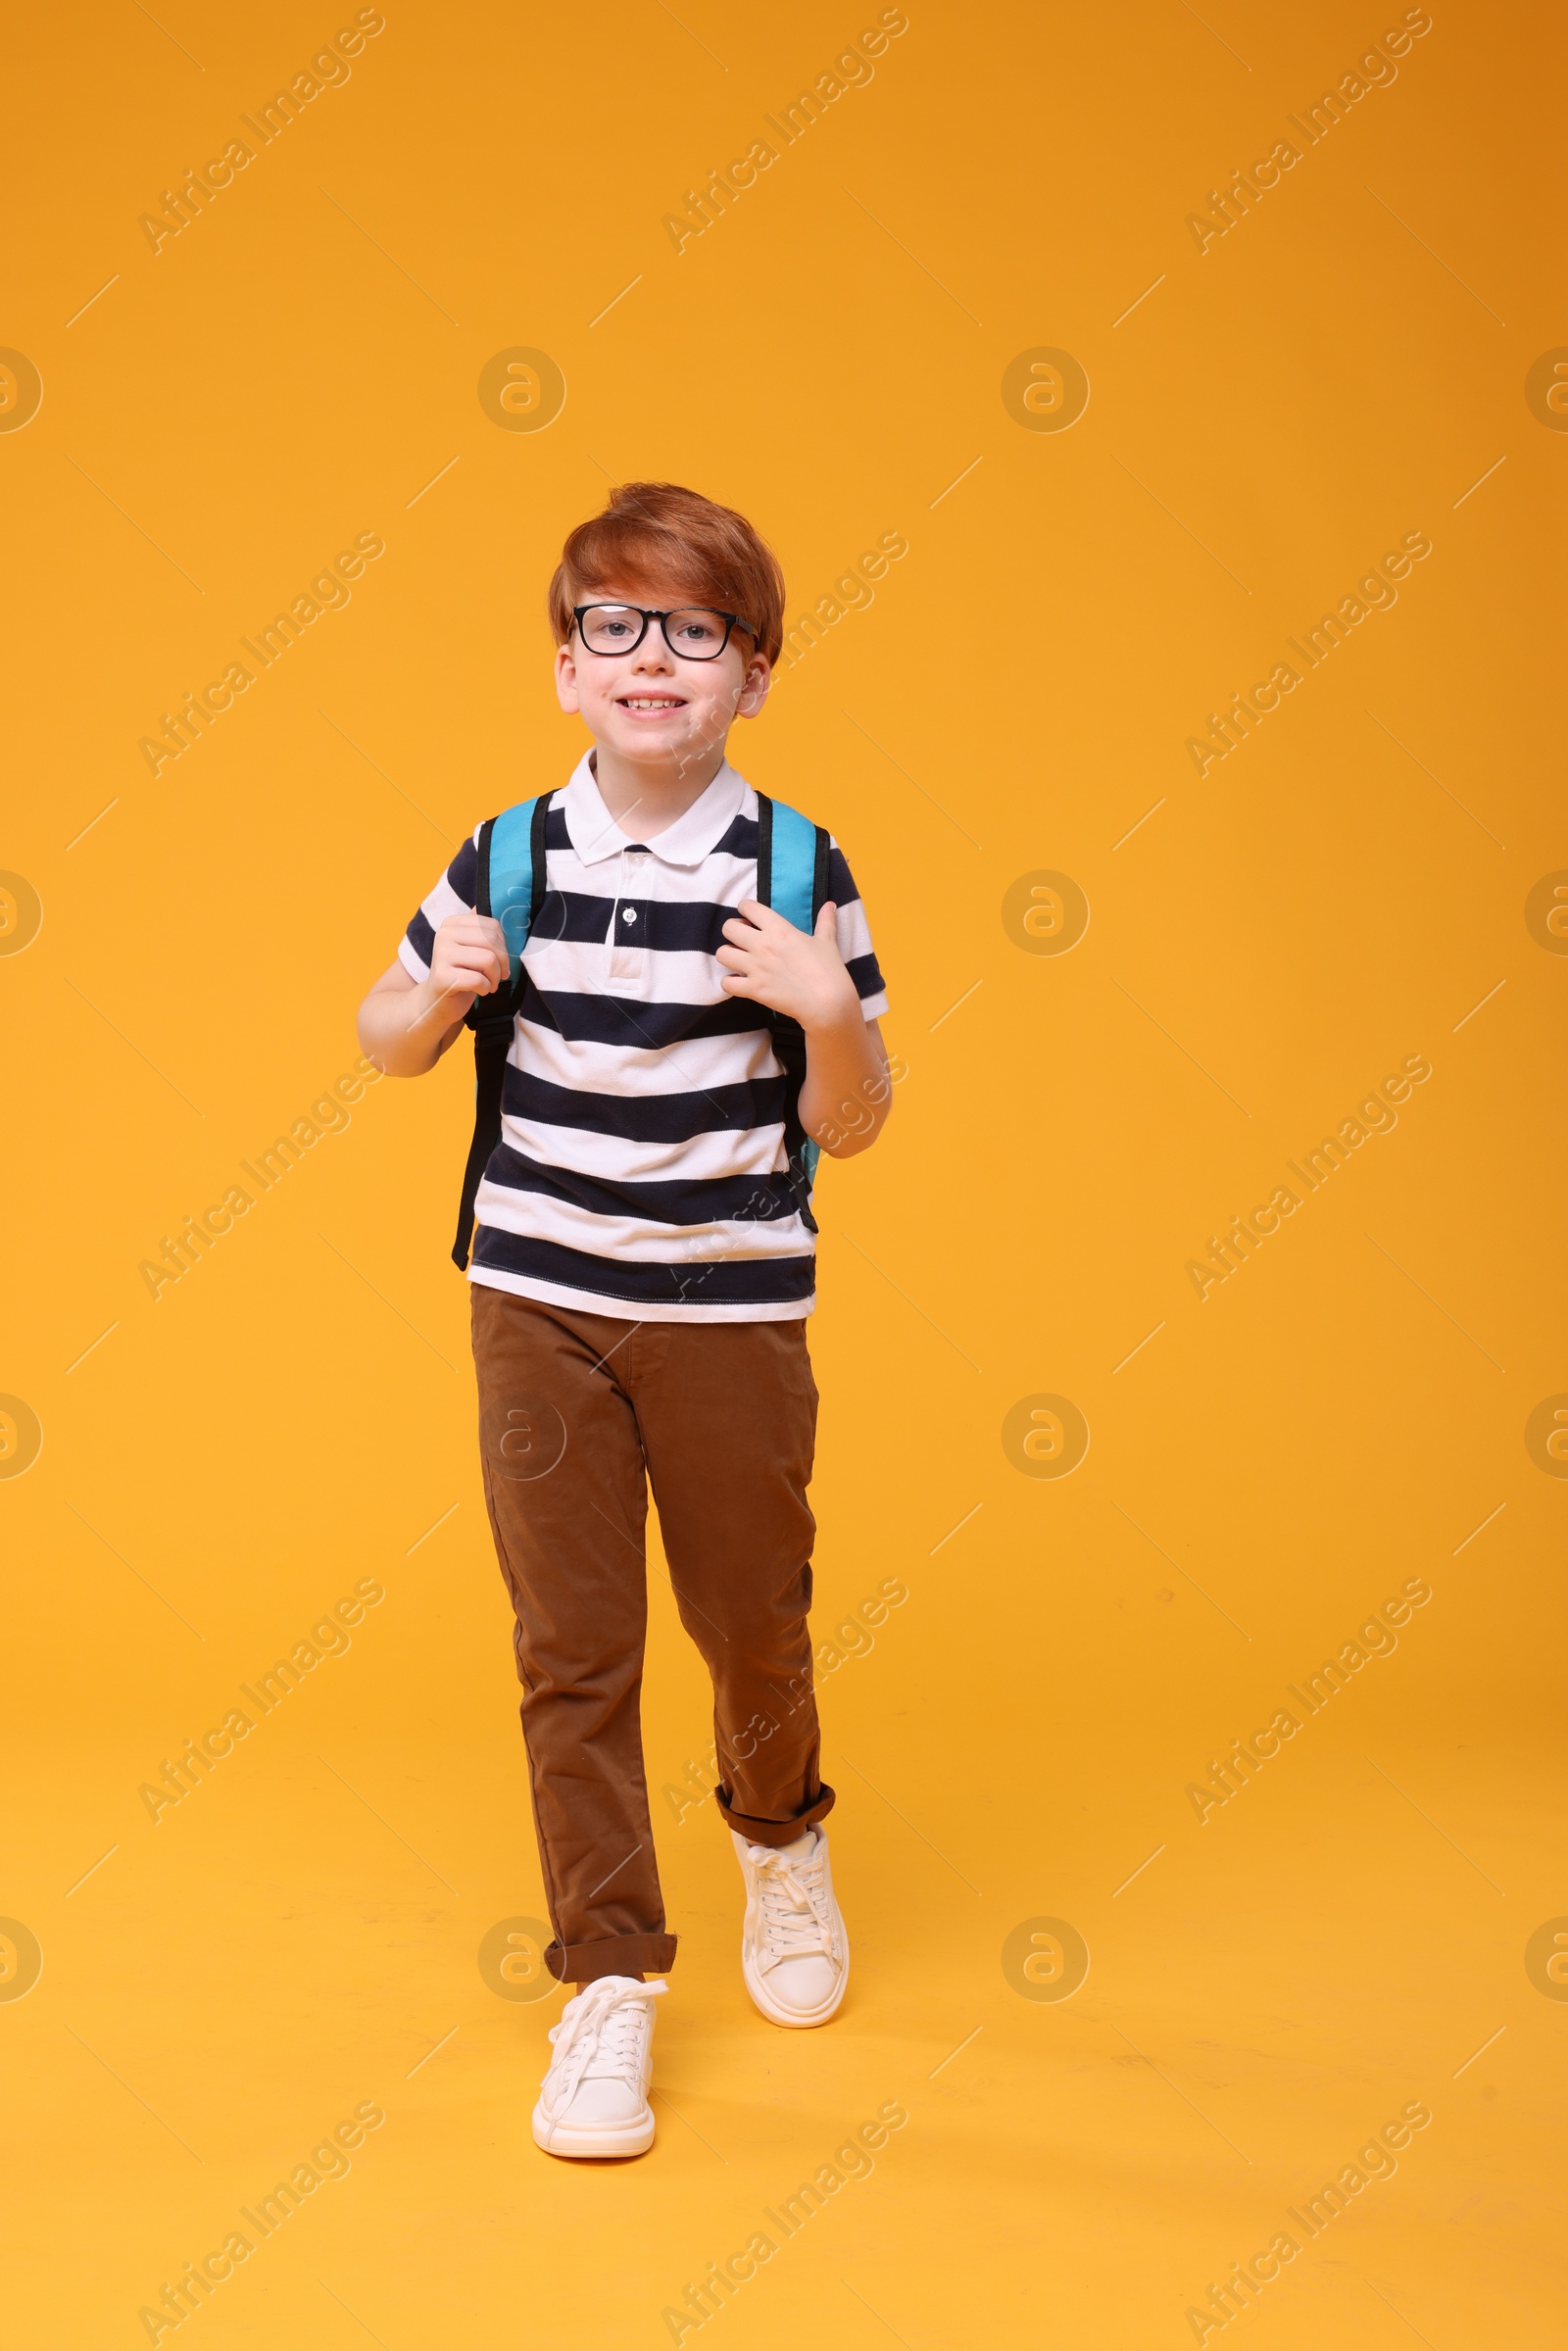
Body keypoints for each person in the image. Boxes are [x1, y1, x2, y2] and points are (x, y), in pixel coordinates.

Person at [357, 481, 893, 2159]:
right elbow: (380, 1039)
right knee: (571, 1650)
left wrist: (824, 1012)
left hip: (731, 1309)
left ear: (752, 671)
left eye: (697, 631)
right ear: (569, 670)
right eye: (615, 628)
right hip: (538, 1306)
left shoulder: (800, 866)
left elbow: (859, 1120)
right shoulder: (505, 857)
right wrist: (431, 998)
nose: (653, 658)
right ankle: (607, 1981)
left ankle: (779, 1837)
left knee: (753, 1619)